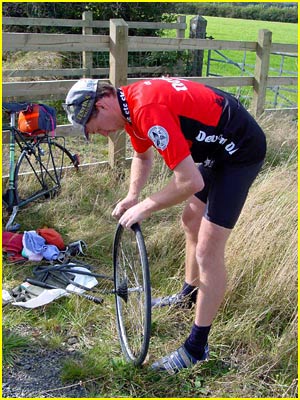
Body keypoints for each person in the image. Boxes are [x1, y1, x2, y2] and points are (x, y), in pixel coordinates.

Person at [63, 77, 266, 374]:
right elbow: (142, 157)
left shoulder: (146, 109)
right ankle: (188, 295)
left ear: (102, 104)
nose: (103, 134)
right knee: (190, 219)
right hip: (215, 148)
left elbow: (189, 181)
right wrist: (133, 196)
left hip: (240, 150)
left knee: (208, 250)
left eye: (97, 127)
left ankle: (197, 348)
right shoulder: (129, 109)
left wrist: (146, 206)